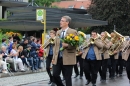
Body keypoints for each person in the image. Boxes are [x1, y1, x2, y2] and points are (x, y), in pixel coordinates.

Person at [52, 16, 77, 86]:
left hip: (68, 58)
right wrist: (54, 58)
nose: (60, 22)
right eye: (60, 20)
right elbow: (56, 46)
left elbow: (76, 45)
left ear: (67, 22)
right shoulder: (58, 32)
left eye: (62, 21)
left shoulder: (73, 31)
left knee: (67, 78)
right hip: (58, 58)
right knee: (55, 74)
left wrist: (67, 46)